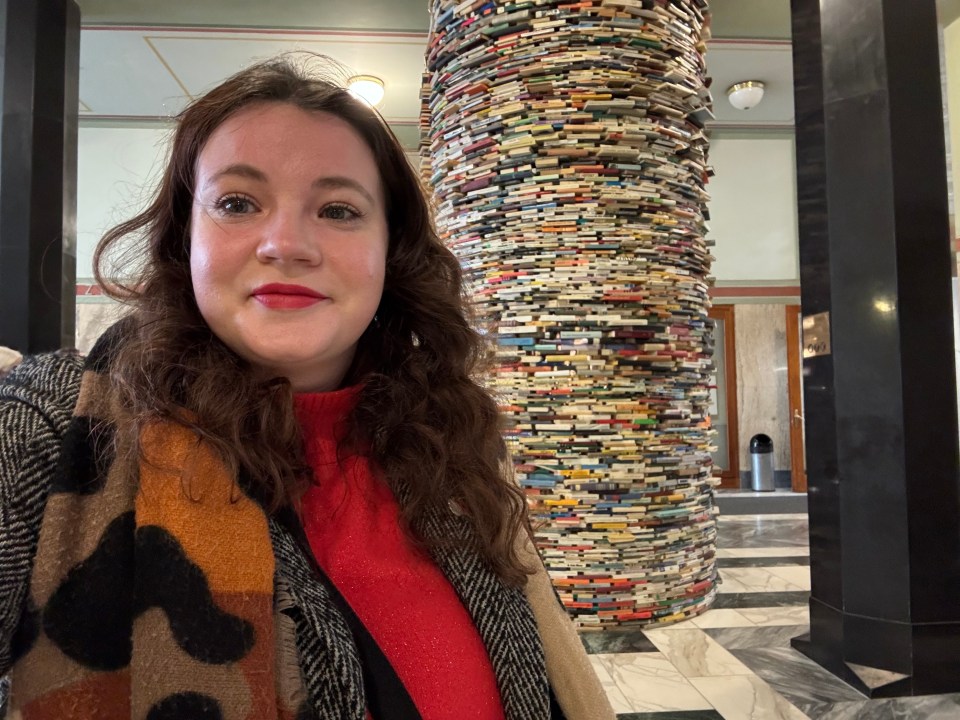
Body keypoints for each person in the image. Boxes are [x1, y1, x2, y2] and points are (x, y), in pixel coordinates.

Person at [0, 56, 614, 720]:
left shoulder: (453, 440)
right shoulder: (54, 426)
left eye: (338, 209)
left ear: (391, 253)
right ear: (186, 239)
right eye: (238, 202)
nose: (285, 243)